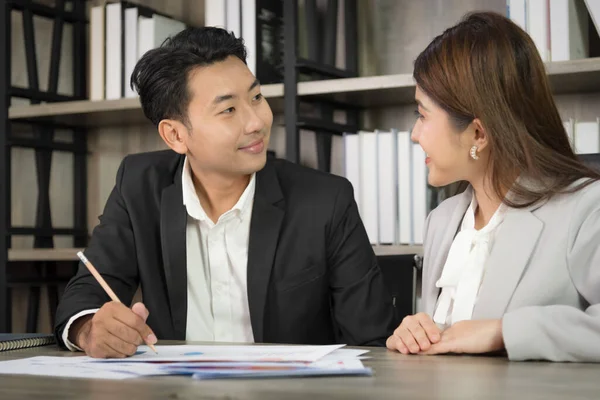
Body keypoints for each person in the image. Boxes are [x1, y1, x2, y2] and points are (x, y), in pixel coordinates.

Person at [55, 27, 395, 358]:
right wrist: (89, 328)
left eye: (256, 97)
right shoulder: (139, 185)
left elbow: (371, 344)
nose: (256, 122)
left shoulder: (325, 200)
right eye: (229, 109)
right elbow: (85, 295)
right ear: (175, 136)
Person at [386, 11, 600, 362]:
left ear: (478, 134)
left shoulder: (585, 209)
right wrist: (413, 335)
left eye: (422, 116)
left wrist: (504, 331)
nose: (414, 135)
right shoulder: (442, 221)